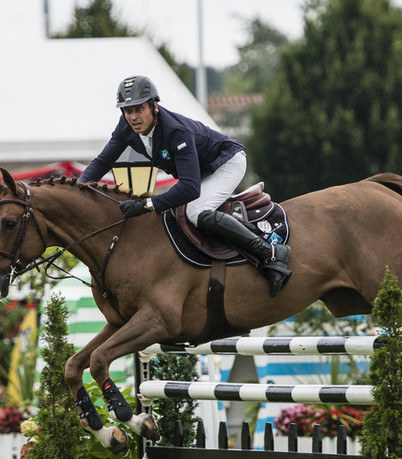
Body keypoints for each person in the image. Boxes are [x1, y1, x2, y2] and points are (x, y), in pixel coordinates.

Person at [78, 75, 291, 297]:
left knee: (196, 211)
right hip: (201, 171)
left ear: (154, 105)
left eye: (139, 109)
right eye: (127, 110)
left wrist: (146, 205)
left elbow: (190, 188)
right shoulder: (125, 128)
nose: (133, 117)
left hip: (226, 163)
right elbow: (102, 162)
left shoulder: (175, 131)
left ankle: (271, 253)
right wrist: (78, 188)